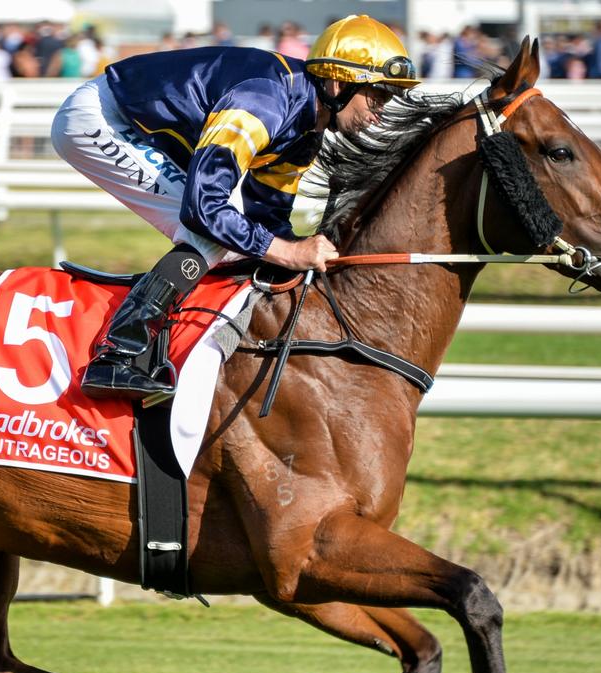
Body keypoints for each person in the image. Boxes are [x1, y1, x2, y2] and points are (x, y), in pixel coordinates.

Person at [51, 14, 418, 399]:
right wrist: (290, 252)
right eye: (377, 96)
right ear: (339, 83)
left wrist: (298, 252)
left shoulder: (307, 131)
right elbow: (203, 209)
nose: (381, 112)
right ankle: (117, 356)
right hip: (99, 119)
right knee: (208, 235)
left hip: (137, 124)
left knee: (246, 240)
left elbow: (268, 217)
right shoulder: (261, 103)